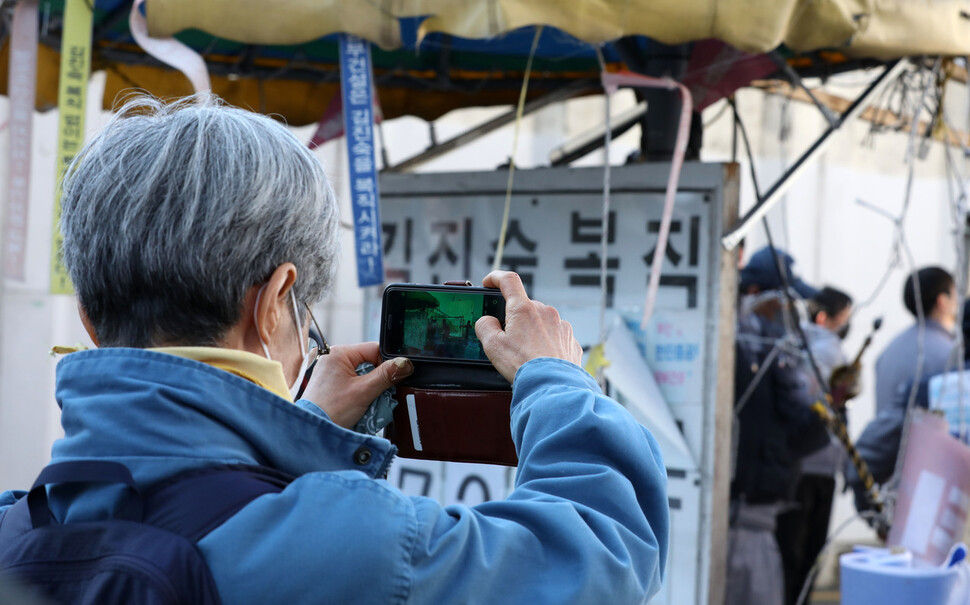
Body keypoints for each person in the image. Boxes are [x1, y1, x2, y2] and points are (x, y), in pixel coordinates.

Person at [0, 96, 669, 604]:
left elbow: (190, 504)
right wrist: (556, 382)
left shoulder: (13, 530)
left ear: (88, 319)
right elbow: (606, 554)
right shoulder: (363, 543)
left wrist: (303, 435)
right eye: (304, 317)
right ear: (273, 301)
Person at [727, 246, 831, 605]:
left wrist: (834, 407)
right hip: (731, 515)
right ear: (753, 295)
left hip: (763, 517)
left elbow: (797, 436)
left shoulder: (776, 354)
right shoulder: (731, 350)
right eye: (782, 303)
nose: (789, 314)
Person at [848, 299, 969, 516]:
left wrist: (878, 515)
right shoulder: (940, 355)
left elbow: (867, 458)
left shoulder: (929, 387)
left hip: (943, 529)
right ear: (941, 301)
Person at [775, 286, 853, 605]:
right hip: (819, 462)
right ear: (825, 318)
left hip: (793, 463)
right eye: (844, 318)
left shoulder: (788, 344)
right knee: (807, 555)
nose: (846, 326)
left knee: (789, 552)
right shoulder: (829, 349)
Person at [873, 267, 958, 414]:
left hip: (885, 436)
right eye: (956, 295)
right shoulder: (950, 353)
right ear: (942, 301)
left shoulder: (890, 349)